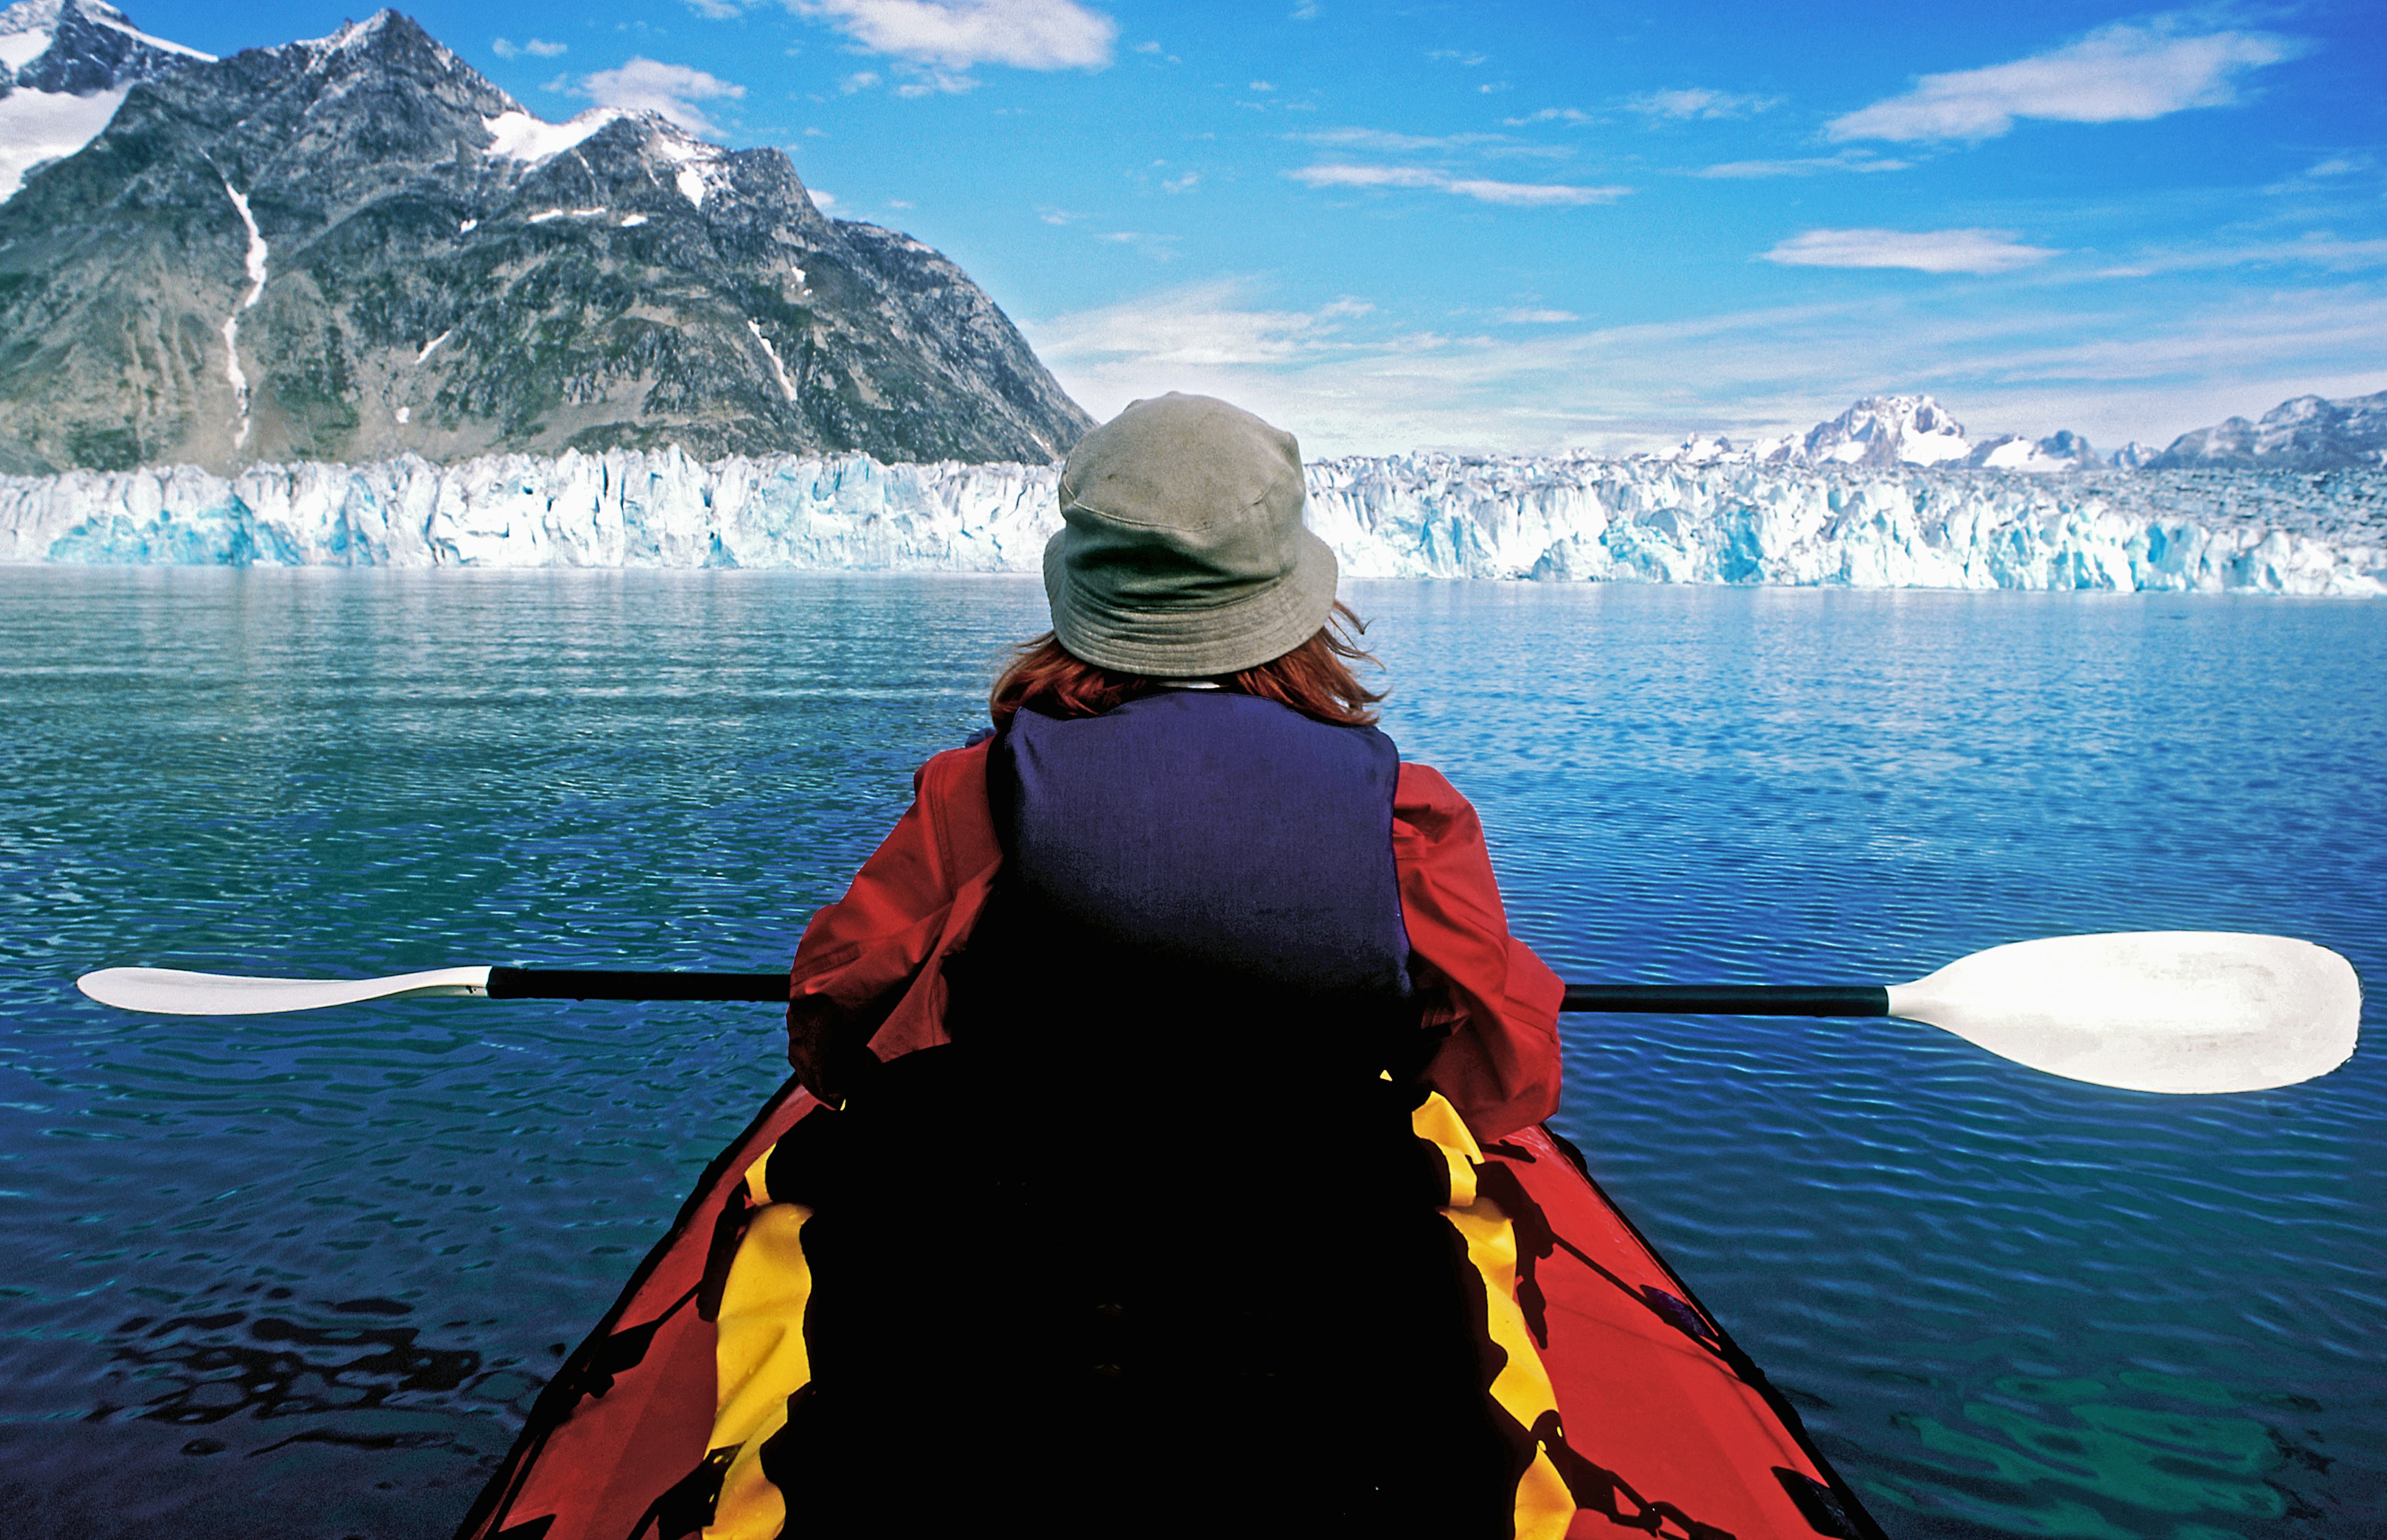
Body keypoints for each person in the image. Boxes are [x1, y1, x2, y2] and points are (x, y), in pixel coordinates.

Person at [738, 393, 1566, 1538]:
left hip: (1016, 1302)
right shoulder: (1405, 821)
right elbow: (1511, 1078)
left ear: (1081, 595)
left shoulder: (979, 796)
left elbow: (830, 1016)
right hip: (1316, 1320)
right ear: (1293, 603)